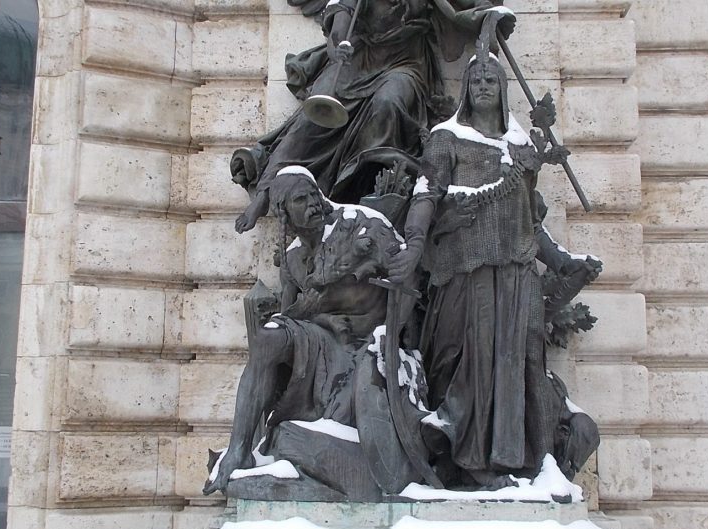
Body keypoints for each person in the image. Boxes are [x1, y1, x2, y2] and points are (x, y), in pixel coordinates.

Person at [388, 49, 599, 488]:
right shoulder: (446, 138)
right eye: (476, 80)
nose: (483, 86)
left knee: (518, 363)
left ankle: (513, 459)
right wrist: (415, 243)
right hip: (465, 271)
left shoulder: (520, 149)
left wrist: (563, 261)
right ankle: (464, 459)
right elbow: (425, 195)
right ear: (466, 89)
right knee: (470, 361)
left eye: (491, 80)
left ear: (503, 90)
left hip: (517, 274)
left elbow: (530, 221)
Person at [230, 0, 515, 234]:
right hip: (357, 59)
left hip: (406, 63)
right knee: (309, 121)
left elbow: (466, 7)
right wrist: (338, 45)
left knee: (388, 103)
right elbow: (339, 25)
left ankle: (367, 195)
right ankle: (265, 193)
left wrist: (489, 17)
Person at [203, 166, 392, 495]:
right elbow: (289, 314)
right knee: (267, 339)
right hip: (323, 339)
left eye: (313, 195)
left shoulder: (359, 224)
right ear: (283, 212)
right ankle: (239, 450)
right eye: (301, 200)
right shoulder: (293, 259)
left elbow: (406, 273)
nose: (313, 205)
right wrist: (313, 314)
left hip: (367, 339)